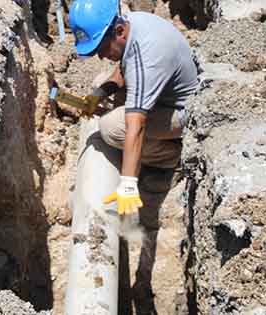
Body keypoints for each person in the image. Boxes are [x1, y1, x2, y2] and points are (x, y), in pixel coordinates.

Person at [69, 0, 198, 312]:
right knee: (102, 83)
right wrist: (97, 96)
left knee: (112, 126)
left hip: (184, 115)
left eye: (101, 46)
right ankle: (147, 153)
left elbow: (136, 125)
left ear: (118, 31)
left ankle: (169, 158)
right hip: (164, 97)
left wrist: (128, 184)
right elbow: (122, 68)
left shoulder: (146, 53)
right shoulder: (131, 24)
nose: (99, 54)